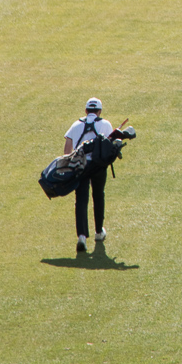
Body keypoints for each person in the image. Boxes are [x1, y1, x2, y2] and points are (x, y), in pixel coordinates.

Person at [63, 98, 114, 253]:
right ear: (99, 111)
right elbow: (110, 146)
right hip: (98, 165)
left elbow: (67, 150)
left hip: (80, 165)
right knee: (98, 196)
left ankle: (82, 237)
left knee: (81, 200)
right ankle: (99, 232)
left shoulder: (76, 125)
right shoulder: (106, 124)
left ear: (85, 111)